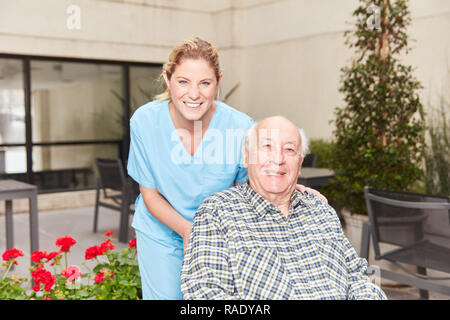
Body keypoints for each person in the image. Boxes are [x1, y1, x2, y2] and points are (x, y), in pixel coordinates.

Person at [127, 38, 327, 300]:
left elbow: (250, 186)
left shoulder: (241, 126)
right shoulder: (144, 121)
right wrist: (189, 232)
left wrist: (285, 187)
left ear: (218, 82)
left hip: (218, 234)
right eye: (183, 81)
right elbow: (150, 195)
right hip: (161, 231)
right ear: (167, 79)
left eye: (205, 83)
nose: (194, 94)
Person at [181, 116, 387, 300]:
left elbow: (358, 276)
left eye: (289, 150)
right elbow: (204, 292)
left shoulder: (321, 211)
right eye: (267, 147)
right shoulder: (218, 211)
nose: (278, 160)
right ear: (246, 156)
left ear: (300, 162)